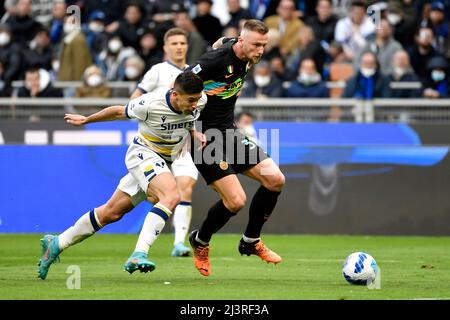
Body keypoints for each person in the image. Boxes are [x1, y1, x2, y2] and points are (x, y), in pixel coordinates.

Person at [37, 71, 207, 280]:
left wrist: (193, 134)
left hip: (164, 160)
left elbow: (188, 119)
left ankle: (57, 243)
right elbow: (118, 111)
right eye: (190, 100)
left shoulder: (199, 100)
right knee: (171, 196)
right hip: (143, 154)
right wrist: (87, 120)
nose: (194, 104)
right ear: (174, 95)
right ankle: (139, 254)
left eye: (197, 100)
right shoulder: (150, 103)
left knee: (111, 213)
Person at [187, 19, 285, 277]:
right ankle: (200, 240)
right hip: (205, 138)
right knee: (236, 201)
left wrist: (221, 43)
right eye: (256, 45)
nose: (261, 50)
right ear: (242, 41)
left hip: (229, 132)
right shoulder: (215, 61)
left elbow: (223, 41)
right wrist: (191, 130)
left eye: (264, 45)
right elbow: (180, 84)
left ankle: (250, 241)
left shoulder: (240, 49)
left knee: (275, 179)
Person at [130, 28, 198, 257]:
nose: (179, 47)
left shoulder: (193, 73)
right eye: (174, 43)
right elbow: (135, 99)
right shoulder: (157, 71)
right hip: (154, 144)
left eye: (182, 42)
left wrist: (192, 131)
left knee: (185, 187)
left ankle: (179, 243)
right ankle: (151, 236)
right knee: (159, 195)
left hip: (182, 143)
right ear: (165, 47)